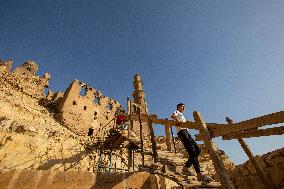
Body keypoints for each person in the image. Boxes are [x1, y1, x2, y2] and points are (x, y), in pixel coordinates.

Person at [171, 103, 211, 182]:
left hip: (186, 132)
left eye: (184, 107)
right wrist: (177, 120)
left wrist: (186, 122)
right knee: (192, 152)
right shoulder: (177, 112)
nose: (184, 108)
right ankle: (199, 174)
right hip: (182, 132)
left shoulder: (182, 115)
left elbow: (181, 121)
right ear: (178, 107)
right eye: (182, 106)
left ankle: (186, 167)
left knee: (198, 150)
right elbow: (173, 116)